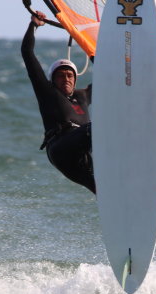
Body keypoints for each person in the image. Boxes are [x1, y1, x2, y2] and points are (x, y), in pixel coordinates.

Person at [21, 10, 96, 194]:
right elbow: (27, 53)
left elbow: (109, 77)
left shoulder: (82, 95)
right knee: (98, 128)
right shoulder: (47, 92)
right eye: (61, 76)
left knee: (102, 185)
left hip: (81, 153)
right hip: (61, 148)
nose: (66, 79)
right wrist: (33, 25)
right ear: (52, 79)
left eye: (70, 75)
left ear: (75, 79)